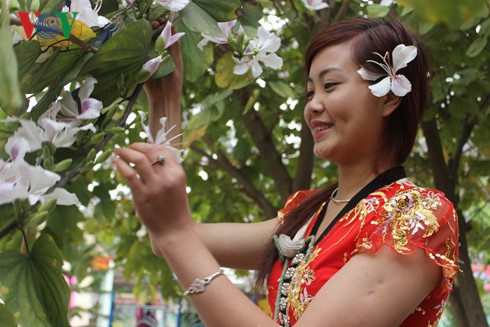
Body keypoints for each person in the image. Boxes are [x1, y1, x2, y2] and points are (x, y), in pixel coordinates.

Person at [113, 17, 459, 326]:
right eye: (310, 91)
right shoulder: (306, 214)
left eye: (330, 85)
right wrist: (165, 100)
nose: (313, 105)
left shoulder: (416, 218)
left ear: (389, 97)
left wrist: (174, 234)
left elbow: (176, 236)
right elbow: (169, 238)